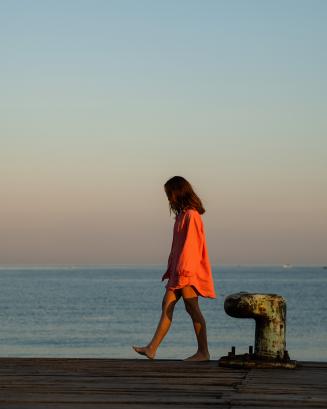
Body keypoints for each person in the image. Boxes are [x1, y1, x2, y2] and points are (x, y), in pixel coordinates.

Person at [132, 176, 216, 361]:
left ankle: (203, 352)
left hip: (187, 272)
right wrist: (171, 270)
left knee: (192, 308)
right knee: (167, 305)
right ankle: (151, 348)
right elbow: (176, 248)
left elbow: (191, 247)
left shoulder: (192, 216)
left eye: (169, 194)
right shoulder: (181, 216)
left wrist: (183, 271)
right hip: (178, 272)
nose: (168, 199)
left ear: (178, 193)